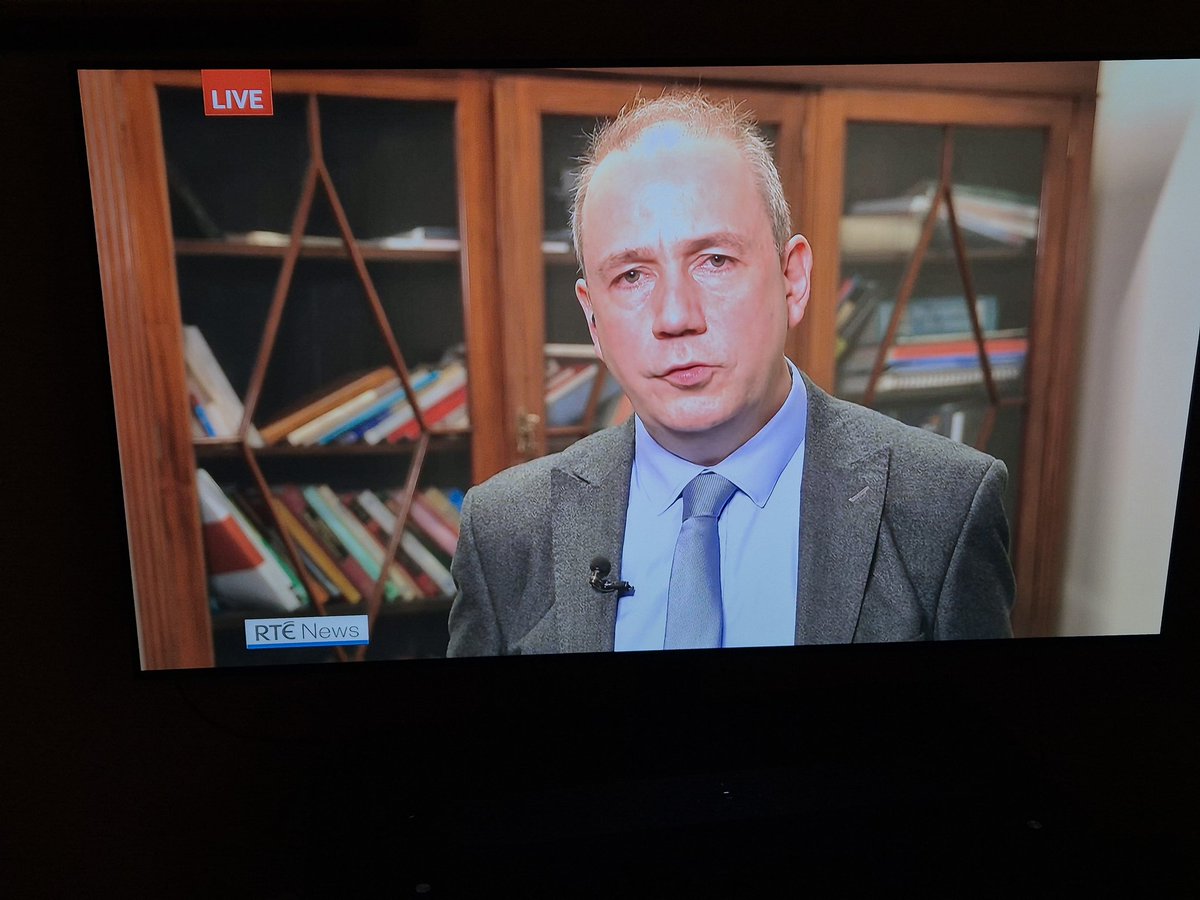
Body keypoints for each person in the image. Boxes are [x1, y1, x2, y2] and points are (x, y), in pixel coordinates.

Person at [447, 89, 1015, 656]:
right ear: (592, 318)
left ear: (792, 280)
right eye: (631, 277)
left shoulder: (945, 507)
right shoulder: (504, 528)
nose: (675, 317)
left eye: (714, 260)